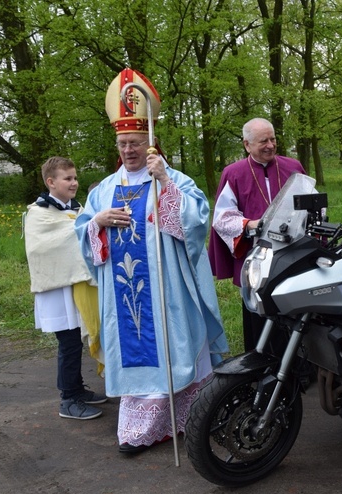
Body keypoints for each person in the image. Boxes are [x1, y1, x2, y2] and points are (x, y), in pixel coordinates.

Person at [75, 68, 228, 454]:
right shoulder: (104, 190)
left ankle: (193, 418)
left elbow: (195, 225)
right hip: (127, 299)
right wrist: (97, 222)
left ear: (150, 143)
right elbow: (81, 233)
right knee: (139, 350)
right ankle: (139, 430)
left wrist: (166, 186)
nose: (129, 150)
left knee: (176, 348)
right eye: (123, 143)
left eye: (136, 143)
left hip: (169, 292)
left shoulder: (172, 178)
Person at [208, 117, 305, 352]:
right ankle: (260, 365)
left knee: (295, 310)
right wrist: (251, 224)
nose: (270, 145)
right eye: (263, 141)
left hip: (291, 253)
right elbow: (223, 218)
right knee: (259, 313)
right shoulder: (234, 173)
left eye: (273, 139)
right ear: (247, 145)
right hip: (256, 256)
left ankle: (299, 370)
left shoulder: (293, 167)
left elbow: (312, 204)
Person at [24, 156, 107, 420]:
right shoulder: (39, 213)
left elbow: (83, 235)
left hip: (76, 286)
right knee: (68, 343)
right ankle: (68, 399)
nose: (74, 183)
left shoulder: (77, 209)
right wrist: (91, 224)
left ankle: (77, 390)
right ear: (51, 182)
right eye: (67, 178)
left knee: (75, 340)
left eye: (75, 177)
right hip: (57, 289)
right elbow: (43, 247)